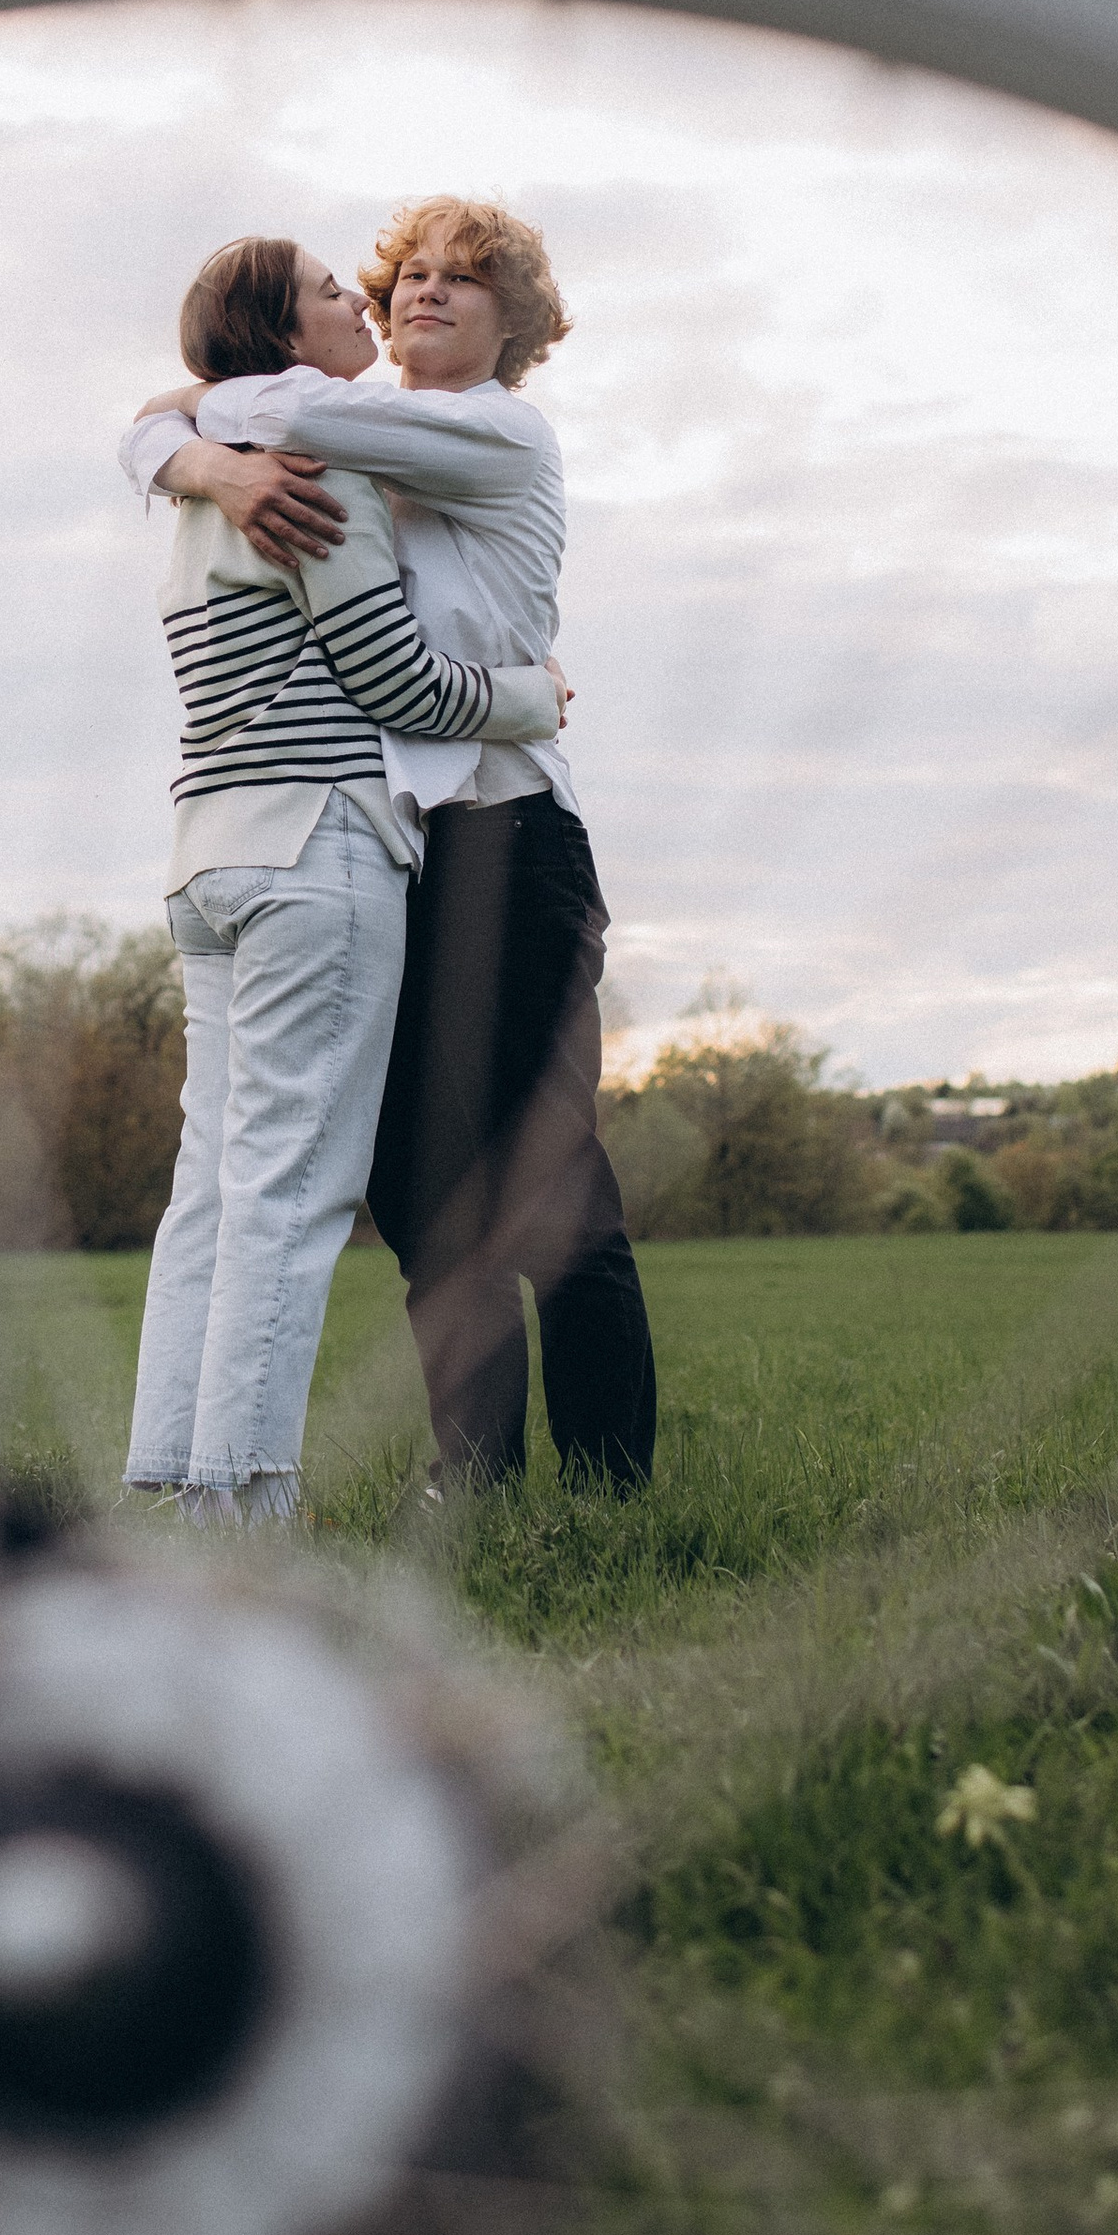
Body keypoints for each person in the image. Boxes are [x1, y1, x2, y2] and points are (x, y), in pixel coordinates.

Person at [126, 199, 656, 1496]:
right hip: (397, 845)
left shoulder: (490, 431)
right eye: (408, 273)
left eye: (463, 282)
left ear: (514, 322)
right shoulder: (366, 449)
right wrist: (195, 456)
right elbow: (195, 412)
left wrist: (199, 448)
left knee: (547, 1174)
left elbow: (251, 409)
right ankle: (474, 1470)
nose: (423, 294)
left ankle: (608, 1487)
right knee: (419, 1190)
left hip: (514, 835)